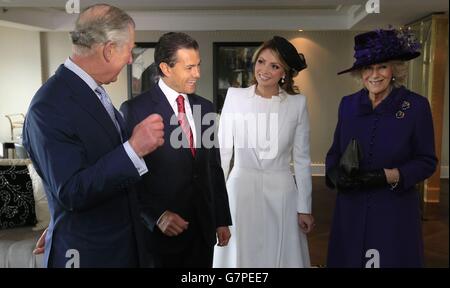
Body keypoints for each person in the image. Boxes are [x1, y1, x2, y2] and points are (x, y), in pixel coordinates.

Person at [23, 4, 164, 267]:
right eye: (129, 49)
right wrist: (134, 149)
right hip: (90, 255)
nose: (131, 59)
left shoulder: (91, 91)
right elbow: (71, 191)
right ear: (109, 50)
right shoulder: (50, 105)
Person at [325, 28, 438, 268]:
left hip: (393, 209)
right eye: (368, 68)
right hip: (351, 208)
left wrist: (385, 176)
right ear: (360, 72)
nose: (374, 75)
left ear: (395, 69)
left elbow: (426, 161)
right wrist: (334, 175)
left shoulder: (416, 106)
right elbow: (335, 152)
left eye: (382, 67)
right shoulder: (348, 105)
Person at [120, 32, 232, 268]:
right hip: (160, 236)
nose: (198, 74)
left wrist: (221, 219)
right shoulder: (134, 110)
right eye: (189, 67)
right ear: (165, 68)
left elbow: (213, 167)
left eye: (198, 66)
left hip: (203, 230)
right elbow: (127, 177)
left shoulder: (206, 106)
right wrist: (156, 216)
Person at [213, 36, 314, 268]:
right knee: (239, 255)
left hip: (282, 194)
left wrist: (304, 208)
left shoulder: (297, 105)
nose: (264, 70)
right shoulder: (234, 98)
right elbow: (222, 156)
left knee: (279, 254)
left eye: (274, 66)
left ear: (284, 73)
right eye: (261, 61)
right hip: (239, 191)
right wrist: (217, 205)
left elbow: (301, 160)